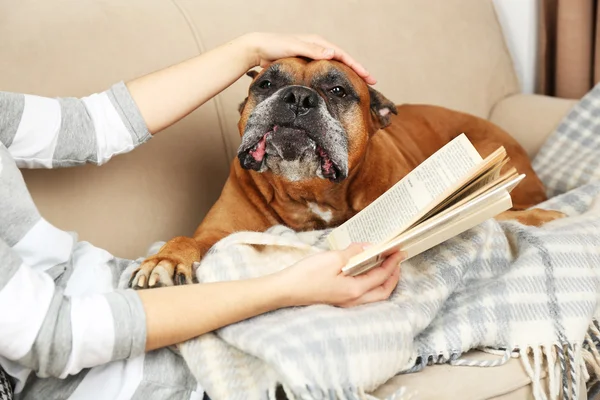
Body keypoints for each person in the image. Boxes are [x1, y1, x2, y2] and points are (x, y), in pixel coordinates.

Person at [0, 32, 405, 399]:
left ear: (377, 121)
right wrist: (287, 288)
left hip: (117, 289)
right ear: (243, 111)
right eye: (268, 88)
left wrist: (253, 46)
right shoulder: (249, 189)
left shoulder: (389, 161)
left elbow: (87, 124)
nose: (297, 101)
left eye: (336, 92)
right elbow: (52, 337)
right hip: (128, 355)